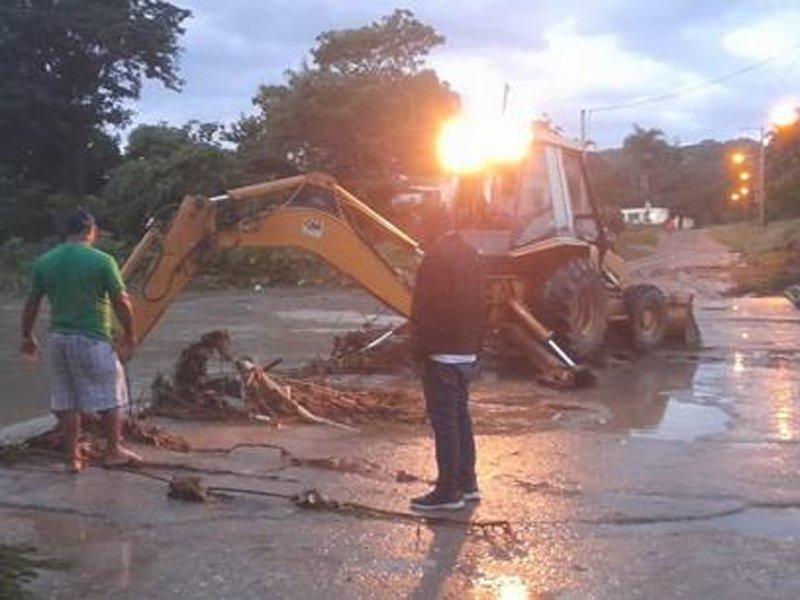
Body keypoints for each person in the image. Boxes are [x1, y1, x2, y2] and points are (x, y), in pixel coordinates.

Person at [20, 209, 141, 473]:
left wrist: (27, 336)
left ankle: (73, 458)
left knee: (66, 398)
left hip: (57, 339)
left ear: (67, 233)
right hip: (92, 337)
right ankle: (113, 450)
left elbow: (32, 303)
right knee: (112, 393)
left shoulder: (45, 261)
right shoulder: (102, 260)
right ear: (91, 231)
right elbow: (121, 301)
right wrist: (130, 334)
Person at [410, 227, 486, 511]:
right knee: (460, 418)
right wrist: (477, 348)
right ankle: (468, 485)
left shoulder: (435, 260)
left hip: (441, 352)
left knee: (445, 423)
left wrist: (420, 351)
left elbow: (426, 307)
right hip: (466, 350)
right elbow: (483, 304)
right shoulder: (472, 256)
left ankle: (448, 491)